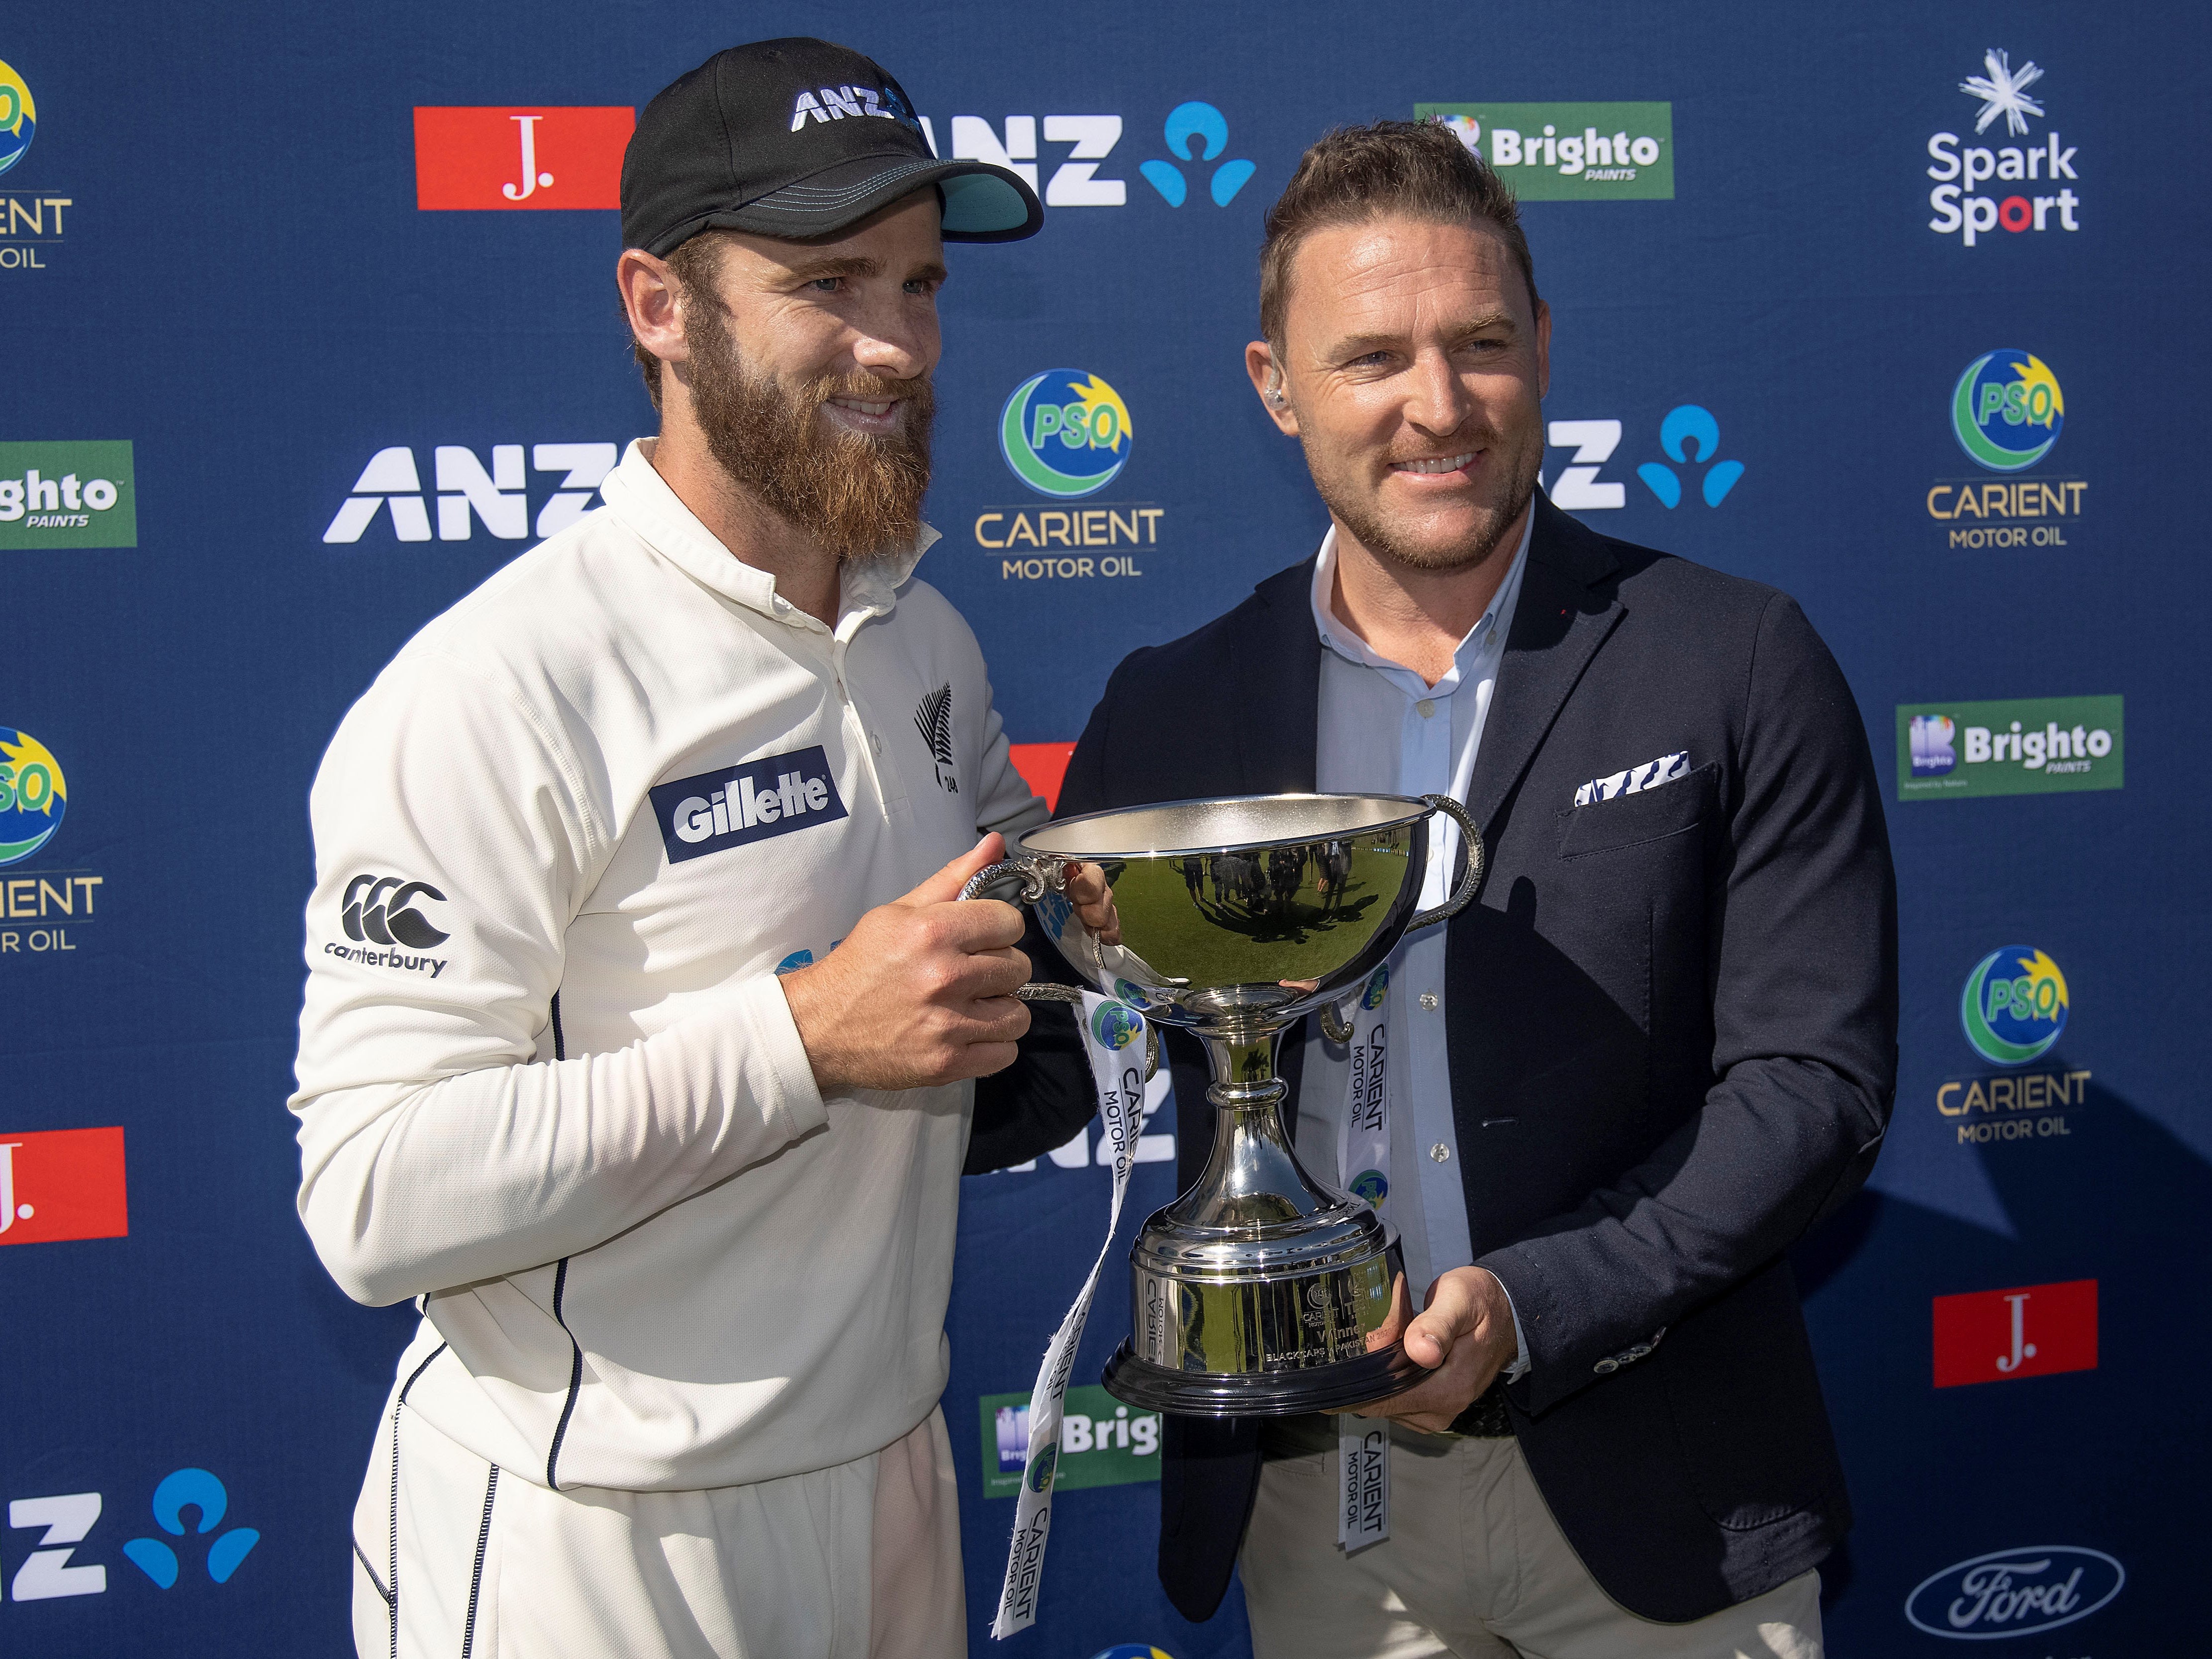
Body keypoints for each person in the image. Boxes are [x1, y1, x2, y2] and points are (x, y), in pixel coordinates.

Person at [289, 38, 1108, 1659]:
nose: (894, 344)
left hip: (889, 1467)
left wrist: (1150, 910)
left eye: (920, 283)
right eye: (826, 281)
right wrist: (804, 1039)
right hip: (594, 1527)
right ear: (659, 306)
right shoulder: (502, 685)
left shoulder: (922, 634)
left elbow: (1015, 892)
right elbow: (370, 1200)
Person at [1057, 120, 1896, 1659]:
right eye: (1372, 356)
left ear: (1546, 349)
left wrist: (1544, 1299)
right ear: (1276, 386)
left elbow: (1813, 1083)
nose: (1438, 408)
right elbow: (1064, 1050)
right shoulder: (1172, 713)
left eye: (1482, 344)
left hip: (1669, 1487)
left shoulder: (1733, 657)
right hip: (1317, 1507)